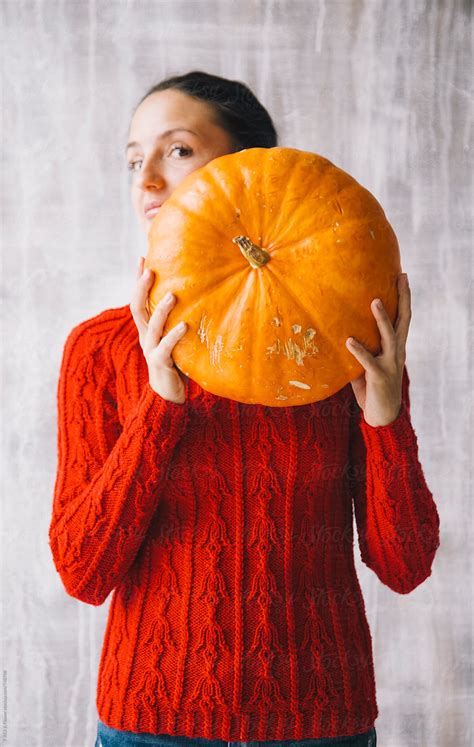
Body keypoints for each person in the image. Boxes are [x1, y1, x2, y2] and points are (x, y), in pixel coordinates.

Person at [48, 70, 440, 747]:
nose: (146, 181)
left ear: (248, 172)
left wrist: (386, 415)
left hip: (323, 723)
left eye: (176, 150)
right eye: (134, 158)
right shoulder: (99, 349)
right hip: (150, 723)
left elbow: (403, 564)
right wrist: (160, 404)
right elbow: (83, 570)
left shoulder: (339, 345)